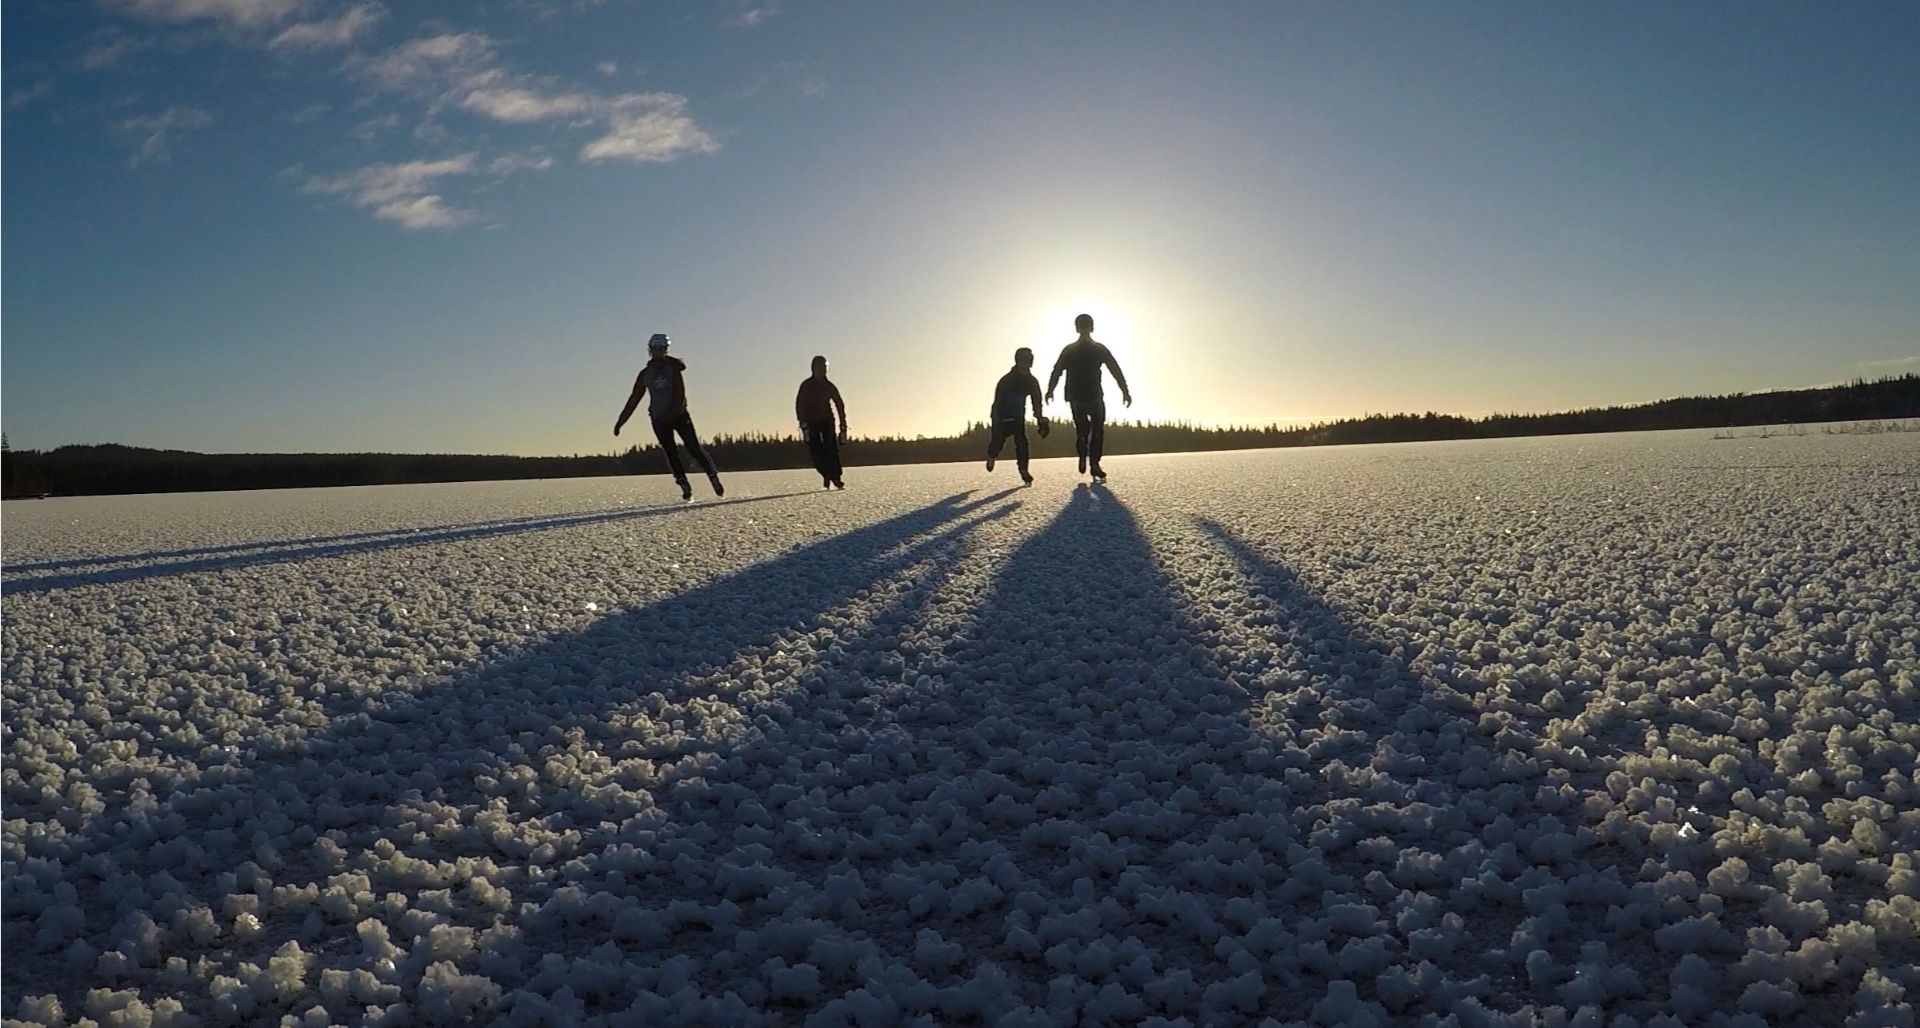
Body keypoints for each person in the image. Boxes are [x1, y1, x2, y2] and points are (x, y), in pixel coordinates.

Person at [614, 333, 724, 501]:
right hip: (659, 420)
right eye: (655, 349)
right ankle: (683, 483)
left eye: (661, 349)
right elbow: (634, 399)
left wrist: (670, 414)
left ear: (665, 350)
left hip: (679, 416)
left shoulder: (673, 369)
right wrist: (621, 422)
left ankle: (713, 476)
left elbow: (680, 394)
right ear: (650, 350)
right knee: (671, 452)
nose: (658, 352)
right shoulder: (645, 374)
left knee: (694, 448)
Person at [1046, 313, 1131, 480]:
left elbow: (1057, 370)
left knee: (1082, 431)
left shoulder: (1069, 350)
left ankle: (1085, 455)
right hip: (1092, 396)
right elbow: (1115, 369)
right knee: (1097, 431)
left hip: (1078, 397)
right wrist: (1124, 390)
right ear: (1091, 327)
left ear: (1077, 328)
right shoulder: (1098, 348)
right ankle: (1094, 463)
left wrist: (1050, 390)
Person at [986, 347, 1049, 485]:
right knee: (998, 442)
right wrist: (1000, 420)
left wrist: (1040, 419)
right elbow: (998, 402)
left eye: (1027, 362)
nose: (1025, 364)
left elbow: (1036, 401)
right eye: (1022, 361)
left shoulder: (1032, 382)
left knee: (1022, 443)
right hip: (1001, 414)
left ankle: (1024, 470)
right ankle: (992, 455)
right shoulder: (1006, 380)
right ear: (1017, 362)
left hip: (1018, 416)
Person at [794, 355, 848, 490]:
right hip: (811, 423)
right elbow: (800, 405)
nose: (823, 369)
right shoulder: (806, 386)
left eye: (825, 367)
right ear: (813, 368)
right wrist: (803, 425)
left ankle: (835, 477)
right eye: (820, 367)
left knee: (831, 448)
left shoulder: (829, 386)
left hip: (827, 420)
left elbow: (839, 404)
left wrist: (843, 425)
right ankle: (826, 474)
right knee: (816, 450)